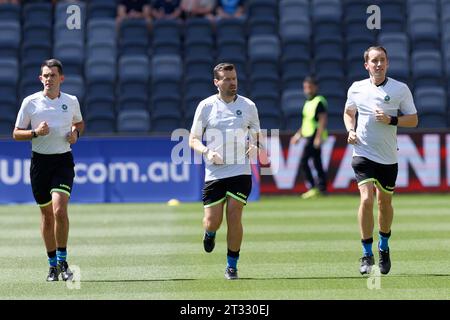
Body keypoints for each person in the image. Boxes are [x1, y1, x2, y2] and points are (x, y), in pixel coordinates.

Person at [343, 46, 418, 275]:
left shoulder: (399, 89)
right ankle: (367, 254)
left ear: (388, 63)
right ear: (366, 65)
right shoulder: (357, 88)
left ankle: (383, 247)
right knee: (366, 199)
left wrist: (390, 119)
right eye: (374, 61)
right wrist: (351, 130)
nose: (378, 64)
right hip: (363, 153)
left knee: (383, 203)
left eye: (382, 60)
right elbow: (348, 112)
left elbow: (413, 120)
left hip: (387, 157)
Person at [13, 59, 84, 282]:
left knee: (59, 210)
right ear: (40, 78)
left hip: (62, 161)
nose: (48, 79)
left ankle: (63, 262)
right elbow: (16, 133)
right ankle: (52, 265)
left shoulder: (71, 101)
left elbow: (79, 124)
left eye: (53, 75)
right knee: (46, 215)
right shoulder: (30, 102)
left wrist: (76, 134)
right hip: (40, 164)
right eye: (45, 75)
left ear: (61, 78)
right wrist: (35, 133)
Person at [189, 63, 262, 280]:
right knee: (213, 221)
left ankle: (232, 265)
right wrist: (207, 152)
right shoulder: (206, 106)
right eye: (227, 79)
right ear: (216, 82)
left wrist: (255, 146)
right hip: (215, 173)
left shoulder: (249, 106)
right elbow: (192, 139)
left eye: (234, 78)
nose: (233, 83)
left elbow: (257, 134)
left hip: (240, 171)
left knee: (234, 215)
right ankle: (209, 233)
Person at [290, 76, 328, 199]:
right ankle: (322, 189)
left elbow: (322, 120)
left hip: (314, 135)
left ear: (315, 87)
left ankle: (313, 187)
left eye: (310, 87)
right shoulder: (308, 102)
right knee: (317, 162)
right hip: (308, 135)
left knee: (304, 161)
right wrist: (298, 135)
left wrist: (318, 137)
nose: (307, 90)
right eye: (305, 87)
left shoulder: (319, 101)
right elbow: (306, 122)